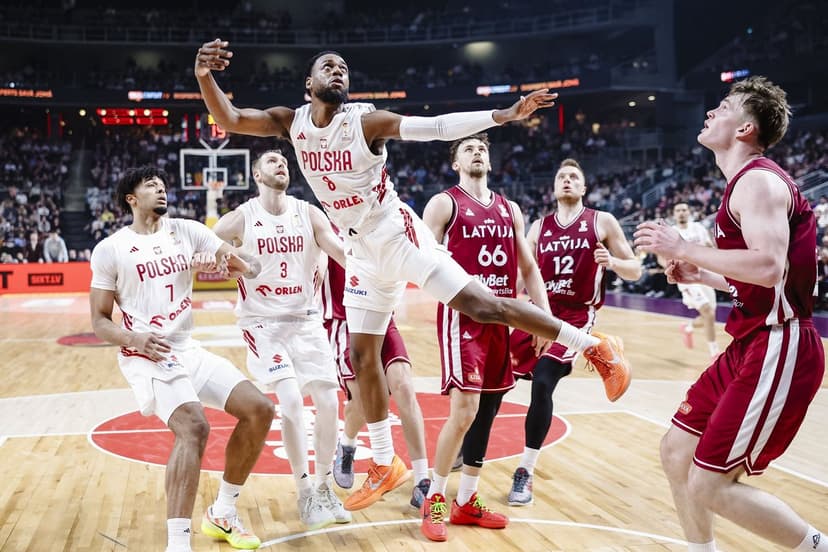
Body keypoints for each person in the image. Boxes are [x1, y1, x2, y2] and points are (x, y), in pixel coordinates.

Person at [195, 41, 630, 513]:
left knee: (484, 306)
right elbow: (230, 118)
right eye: (328, 66)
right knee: (362, 356)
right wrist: (203, 76)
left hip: (396, 234)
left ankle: (594, 346)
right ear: (309, 83)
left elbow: (436, 127)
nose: (337, 71)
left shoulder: (364, 123)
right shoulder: (291, 122)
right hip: (360, 249)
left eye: (343, 67)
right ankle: (384, 462)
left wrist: (502, 116)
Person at [634, 76, 827, 552]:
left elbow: (769, 267)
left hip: (780, 342)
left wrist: (685, 248)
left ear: (744, 128)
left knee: (710, 483)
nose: (709, 113)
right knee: (676, 452)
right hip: (750, 342)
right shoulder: (742, 185)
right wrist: (702, 276)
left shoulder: (758, 181)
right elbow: (759, 279)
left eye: (722, 107)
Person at [89, 166, 274, 552]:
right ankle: (178, 544)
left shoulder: (188, 231)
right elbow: (99, 321)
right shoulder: (111, 249)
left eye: (162, 184)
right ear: (131, 199)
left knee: (260, 409)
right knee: (194, 426)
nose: (161, 189)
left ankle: (223, 512)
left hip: (187, 348)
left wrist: (233, 264)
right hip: (147, 353)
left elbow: (248, 264)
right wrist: (134, 338)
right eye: (150, 185)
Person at [416, 133, 555, 541]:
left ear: (490, 162)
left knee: (488, 411)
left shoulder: (510, 209)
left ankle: (467, 500)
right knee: (464, 412)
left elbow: (528, 267)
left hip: (501, 320)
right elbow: (421, 259)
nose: (477, 152)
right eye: (468, 149)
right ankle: (435, 499)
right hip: (463, 317)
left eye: (482, 149)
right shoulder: (444, 204)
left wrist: (544, 318)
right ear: (456, 162)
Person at [210, 150, 352, 530]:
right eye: (272, 161)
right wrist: (228, 257)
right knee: (290, 400)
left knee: (329, 403)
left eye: (284, 162)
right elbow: (201, 247)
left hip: (306, 321)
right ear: (257, 174)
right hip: (263, 324)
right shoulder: (240, 217)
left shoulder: (309, 214)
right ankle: (304, 491)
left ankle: (324, 488)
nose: (281, 165)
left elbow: (341, 253)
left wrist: (370, 260)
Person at [507, 158, 641, 507]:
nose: (567, 180)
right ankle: (468, 449)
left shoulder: (602, 221)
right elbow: (521, 277)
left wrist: (612, 262)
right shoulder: (539, 227)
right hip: (540, 312)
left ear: (584, 188)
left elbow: (635, 270)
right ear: (554, 188)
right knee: (496, 378)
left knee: (543, 382)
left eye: (573, 177)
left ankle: (525, 470)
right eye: (562, 177)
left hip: (577, 315)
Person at [320, 229, 431, 509]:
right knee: (361, 399)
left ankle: (422, 479)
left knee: (403, 386)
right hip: (344, 320)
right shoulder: (323, 221)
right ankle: (347, 444)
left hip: (381, 315)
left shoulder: (380, 219)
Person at [670, 202, 720, 358]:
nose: (681, 212)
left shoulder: (698, 228)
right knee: (708, 312)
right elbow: (664, 256)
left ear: (689, 212)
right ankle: (714, 353)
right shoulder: (672, 233)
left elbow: (710, 246)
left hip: (705, 274)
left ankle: (688, 327)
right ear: (674, 214)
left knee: (709, 316)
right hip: (687, 279)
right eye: (678, 210)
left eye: (684, 210)